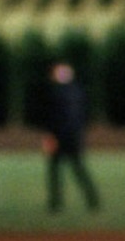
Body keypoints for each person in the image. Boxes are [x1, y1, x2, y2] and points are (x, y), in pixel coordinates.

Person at [39, 62, 101, 213]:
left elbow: (51, 117)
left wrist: (50, 137)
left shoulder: (54, 93)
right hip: (74, 136)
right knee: (77, 169)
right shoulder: (78, 92)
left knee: (56, 171)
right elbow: (84, 116)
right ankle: (92, 200)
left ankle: (56, 203)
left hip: (60, 136)